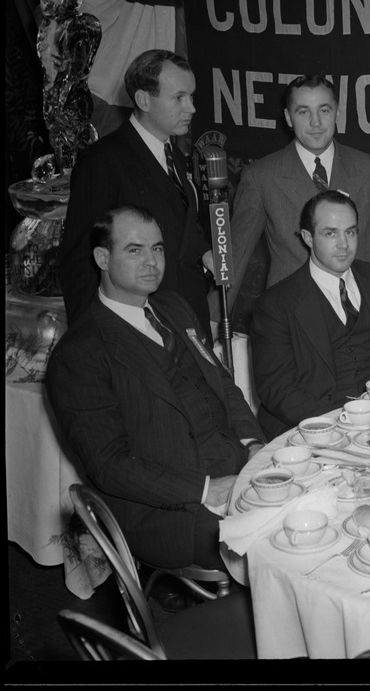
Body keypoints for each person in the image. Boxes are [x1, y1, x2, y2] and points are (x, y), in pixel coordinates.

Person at [46, 206, 263, 571]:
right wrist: (207, 489)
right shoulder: (79, 353)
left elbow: (221, 383)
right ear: (102, 257)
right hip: (172, 511)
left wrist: (253, 444)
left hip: (236, 468)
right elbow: (110, 466)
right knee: (287, 543)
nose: (152, 262)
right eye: (135, 250)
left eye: (158, 249)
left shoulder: (173, 308)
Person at [59, 49, 215, 334]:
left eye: (191, 97)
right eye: (179, 97)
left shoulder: (175, 155)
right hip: (140, 327)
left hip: (189, 319)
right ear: (144, 99)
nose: (191, 108)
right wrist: (92, 341)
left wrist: (204, 252)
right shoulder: (103, 160)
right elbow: (80, 260)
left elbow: (180, 227)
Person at [250, 190, 370, 439]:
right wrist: (340, 422)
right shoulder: (276, 304)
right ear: (308, 237)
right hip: (315, 427)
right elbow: (278, 389)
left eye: (350, 231)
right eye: (330, 233)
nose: (344, 244)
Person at [226, 75, 370, 310]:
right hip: (291, 310)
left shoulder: (369, 168)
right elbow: (236, 253)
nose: (315, 122)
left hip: (360, 307)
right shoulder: (261, 176)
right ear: (288, 118)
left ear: (337, 113)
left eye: (324, 110)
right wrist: (214, 320)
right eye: (303, 112)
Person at [35, 0, 101, 175]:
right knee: (59, 142)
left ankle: (75, 183)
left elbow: (73, 70)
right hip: (53, 100)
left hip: (71, 100)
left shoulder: (84, 24)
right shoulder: (46, 25)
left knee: (70, 143)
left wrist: (58, 100)